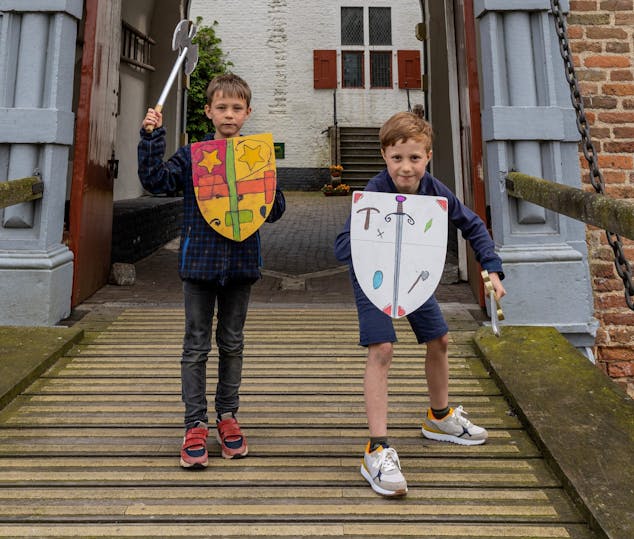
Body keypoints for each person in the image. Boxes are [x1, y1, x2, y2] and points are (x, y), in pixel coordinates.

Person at [334, 110, 506, 497]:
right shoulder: (373, 192)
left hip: (411, 278)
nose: (406, 167)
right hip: (375, 280)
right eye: (397, 158)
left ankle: (439, 417)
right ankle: (377, 449)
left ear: (428, 156)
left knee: (440, 340)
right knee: (382, 349)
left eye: (415, 158)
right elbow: (342, 246)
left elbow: (473, 225)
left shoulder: (434, 190)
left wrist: (492, 269)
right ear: (384, 156)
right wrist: (372, 235)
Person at [138, 73, 286, 469]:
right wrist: (152, 137)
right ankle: (194, 424)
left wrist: (266, 184)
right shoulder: (193, 155)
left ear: (248, 112)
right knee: (196, 346)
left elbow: (274, 211)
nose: (229, 114)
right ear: (208, 111)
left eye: (237, 108)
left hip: (240, 265)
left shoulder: (256, 154)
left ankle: (227, 417)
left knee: (233, 342)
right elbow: (156, 180)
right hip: (199, 265)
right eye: (221, 107)